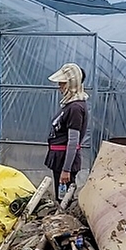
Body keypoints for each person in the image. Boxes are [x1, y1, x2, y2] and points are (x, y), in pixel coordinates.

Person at [45, 62, 89, 194]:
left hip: (64, 159)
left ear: (71, 83)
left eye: (62, 83)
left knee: (64, 198)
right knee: (60, 196)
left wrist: (66, 169)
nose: (60, 87)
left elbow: (73, 141)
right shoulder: (69, 105)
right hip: (58, 157)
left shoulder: (75, 108)